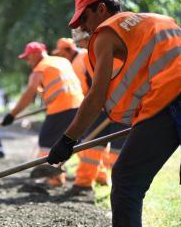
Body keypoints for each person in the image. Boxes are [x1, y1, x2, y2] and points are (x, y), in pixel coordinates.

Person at [47, 0, 181, 226]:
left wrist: (68, 140)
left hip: (175, 97)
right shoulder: (152, 20)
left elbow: (96, 97)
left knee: (126, 180)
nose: (82, 27)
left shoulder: (106, 32)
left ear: (101, 9)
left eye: (84, 17)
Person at [52, 36, 127, 195]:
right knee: (100, 148)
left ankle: (90, 184)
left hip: (108, 107)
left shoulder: (83, 58)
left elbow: (90, 89)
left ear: (71, 49)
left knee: (106, 149)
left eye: (62, 53)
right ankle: (95, 182)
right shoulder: (85, 57)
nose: (61, 56)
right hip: (109, 106)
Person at [2, 42, 84, 188]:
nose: (28, 62)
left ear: (35, 54)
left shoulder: (40, 69)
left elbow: (29, 95)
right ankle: (59, 177)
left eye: (28, 58)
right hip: (79, 105)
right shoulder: (62, 61)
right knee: (71, 140)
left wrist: (12, 115)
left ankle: (50, 179)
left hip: (62, 108)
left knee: (47, 142)